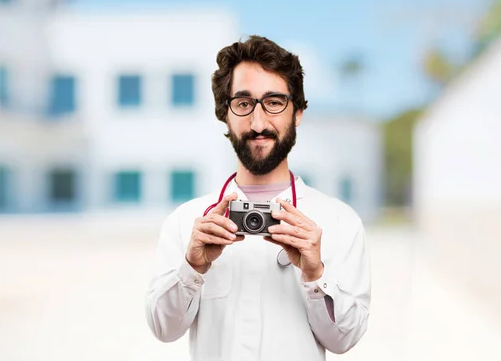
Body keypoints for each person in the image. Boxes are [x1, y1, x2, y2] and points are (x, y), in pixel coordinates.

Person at [145, 35, 371, 361]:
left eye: (275, 102)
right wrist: (192, 266)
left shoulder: (339, 221)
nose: (259, 122)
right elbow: (164, 330)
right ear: (225, 114)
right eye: (243, 103)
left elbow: (344, 339)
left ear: (297, 114)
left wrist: (315, 274)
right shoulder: (186, 221)